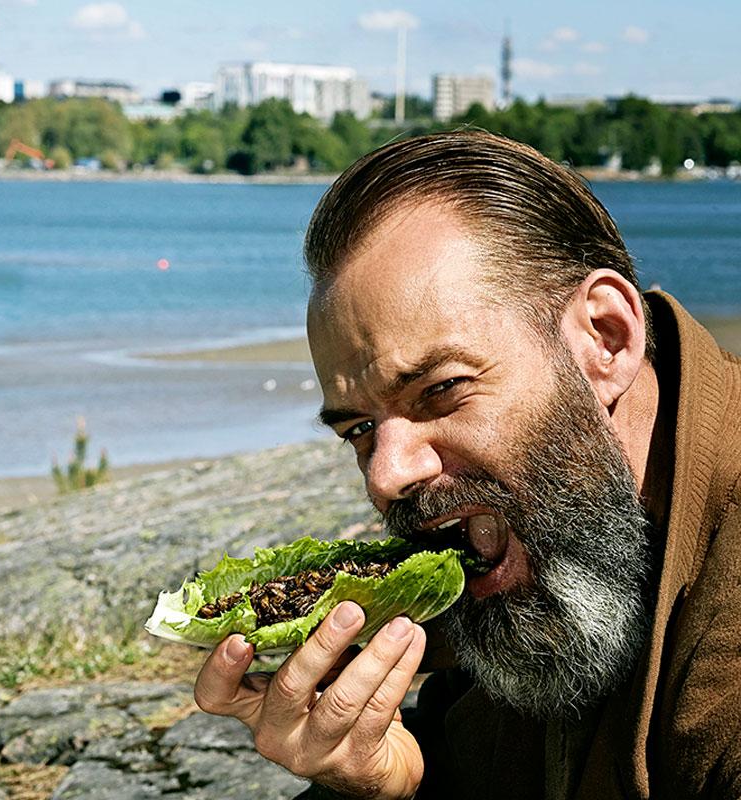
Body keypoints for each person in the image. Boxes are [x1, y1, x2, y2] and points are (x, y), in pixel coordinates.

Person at [193, 130, 741, 799]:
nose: (385, 475)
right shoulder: (543, 558)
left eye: (441, 389)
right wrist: (386, 786)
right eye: (361, 429)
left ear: (606, 338)